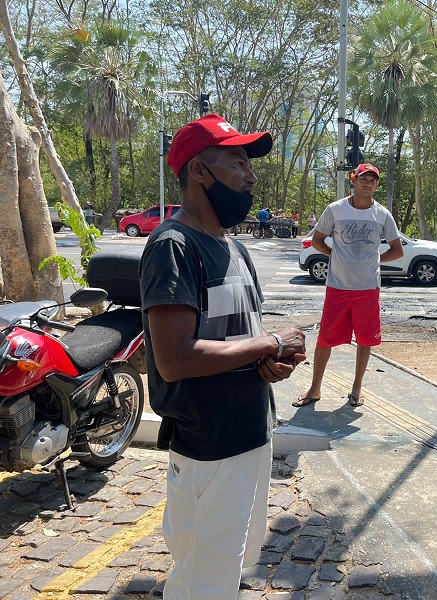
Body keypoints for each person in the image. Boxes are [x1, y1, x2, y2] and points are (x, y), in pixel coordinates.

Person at [139, 113, 307, 600]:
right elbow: (175, 358)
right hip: (207, 442)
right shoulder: (173, 246)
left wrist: (268, 365)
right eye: (238, 162)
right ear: (198, 171)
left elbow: (238, 341)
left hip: (251, 431)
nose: (251, 176)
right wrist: (271, 343)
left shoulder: (234, 248)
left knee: (232, 564)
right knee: (202, 577)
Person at [294, 163, 402, 408]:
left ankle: (356, 388)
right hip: (337, 287)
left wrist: (374, 260)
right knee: (324, 338)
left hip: (368, 288)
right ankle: (315, 388)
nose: (367, 183)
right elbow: (317, 240)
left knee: (365, 339)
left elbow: (397, 250)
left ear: (376, 185)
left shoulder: (382, 214)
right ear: (354, 180)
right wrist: (334, 254)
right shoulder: (335, 209)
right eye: (363, 178)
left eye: (373, 179)